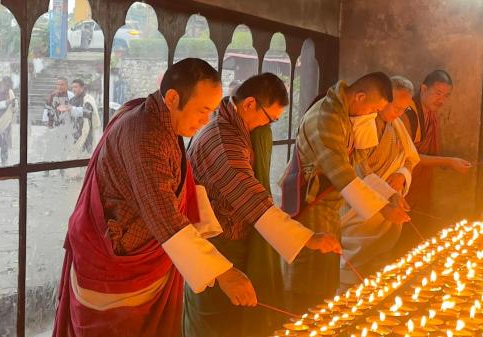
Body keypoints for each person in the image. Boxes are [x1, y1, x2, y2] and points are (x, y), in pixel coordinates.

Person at [53, 59, 257, 337]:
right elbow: (164, 214)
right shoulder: (145, 134)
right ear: (173, 98)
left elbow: (181, 184)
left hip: (148, 255)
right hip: (118, 267)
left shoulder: (160, 121)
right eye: (202, 110)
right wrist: (224, 273)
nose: (205, 120)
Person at [183, 73, 341, 337]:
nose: (268, 126)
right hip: (216, 247)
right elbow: (253, 200)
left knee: (234, 320)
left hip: (232, 242)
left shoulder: (235, 129)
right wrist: (309, 239)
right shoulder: (224, 142)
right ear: (249, 104)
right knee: (216, 324)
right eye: (270, 119)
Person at [281, 72, 411, 311]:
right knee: (308, 282)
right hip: (311, 206)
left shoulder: (346, 115)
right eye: (373, 109)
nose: (374, 116)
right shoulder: (326, 119)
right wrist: (383, 209)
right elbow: (343, 175)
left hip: (330, 207)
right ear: (360, 97)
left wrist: (390, 196)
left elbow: (359, 163)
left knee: (325, 279)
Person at [337, 76, 420, 291]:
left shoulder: (397, 125)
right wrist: (387, 200)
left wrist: (402, 176)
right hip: (358, 208)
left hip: (387, 208)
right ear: (384, 99)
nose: (399, 114)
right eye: (395, 106)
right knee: (350, 275)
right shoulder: (361, 121)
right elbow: (358, 170)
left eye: (404, 109)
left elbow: (410, 158)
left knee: (378, 270)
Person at [397, 70, 471, 249]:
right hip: (403, 185)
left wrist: (449, 162)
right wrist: (448, 162)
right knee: (400, 237)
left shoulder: (430, 113)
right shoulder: (408, 114)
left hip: (421, 186)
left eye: (446, 95)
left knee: (416, 238)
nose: (442, 100)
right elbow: (409, 157)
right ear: (423, 88)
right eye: (438, 93)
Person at [68, 78, 98, 153]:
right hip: (74, 131)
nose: (73, 89)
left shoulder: (88, 99)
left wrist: (72, 109)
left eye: (76, 87)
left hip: (86, 131)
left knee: (86, 155)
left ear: (82, 87)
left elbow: (88, 113)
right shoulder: (72, 100)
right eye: (72, 87)